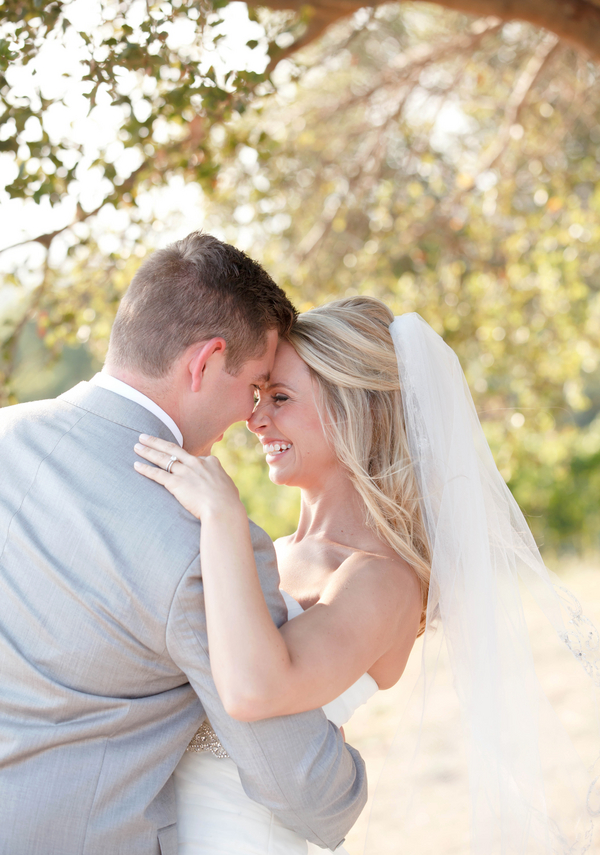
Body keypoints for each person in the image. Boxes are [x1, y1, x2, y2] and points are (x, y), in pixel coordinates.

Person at [136, 296, 599, 855]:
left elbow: (257, 689)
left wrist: (222, 514)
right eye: (258, 398)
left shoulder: (384, 579)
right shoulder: (270, 550)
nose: (255, 420)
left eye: (280, 398)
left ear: (356, 411)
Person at [0, 232, 368, 855]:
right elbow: (303, 789)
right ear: (204, 362)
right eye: (253, 385)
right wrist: (350, 787)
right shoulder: (200, 542)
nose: (249, 416)